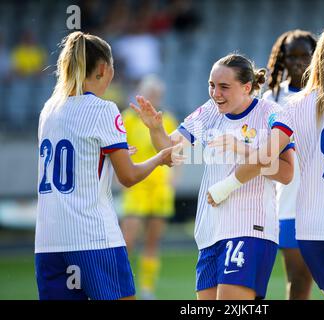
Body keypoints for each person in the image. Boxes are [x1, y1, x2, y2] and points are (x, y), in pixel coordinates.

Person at [208, 23, 324, 300]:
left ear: (318, 59)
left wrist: (227, 183)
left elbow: (265, 156)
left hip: (311, 232)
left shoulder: (294, 106)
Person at [131, 53, 295, 300]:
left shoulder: (270, 113)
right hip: (210, 232)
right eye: (212, 85)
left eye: (224, 87)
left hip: (249, 228)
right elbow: (170, 150)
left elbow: (286, 173)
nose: (215, 93)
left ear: (247, 87)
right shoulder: (209, 112)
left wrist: (241, 149)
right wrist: (155, 129)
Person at [35, 31, 181, 300]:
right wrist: (161, 158)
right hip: (92, 236)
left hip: (48, 240)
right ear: (103, 68)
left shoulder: (49, 110)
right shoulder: (104, 109)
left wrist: (106, 157)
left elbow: (72, 161)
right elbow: (129, 177)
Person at [262, 29, 316, 300]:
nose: (298, 62)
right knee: (298, 278)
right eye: (291, 56)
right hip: (288, 202)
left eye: (304, 55)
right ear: (282, 60)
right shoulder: (271, 99)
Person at [120, 75, 179, 300]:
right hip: (137, 184)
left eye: (157, 95)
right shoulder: (127, 119)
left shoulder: (167, 118)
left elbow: (176, 150)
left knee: (153, 240)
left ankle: (146, 289)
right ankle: (122, 284)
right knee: (128, 240)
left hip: (160, 185)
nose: (154, 98)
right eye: (150, 93)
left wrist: (174, 176)